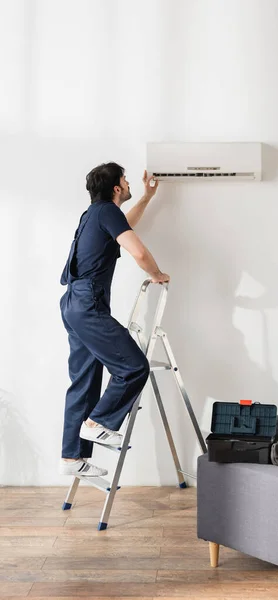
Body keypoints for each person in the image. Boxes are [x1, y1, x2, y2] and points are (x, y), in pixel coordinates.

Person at [59, 162, 170, 477]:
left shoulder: (96, 214)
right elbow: (138, 252)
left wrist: (147, 198)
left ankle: (71, 458)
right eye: (125, 178)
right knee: (134, 367)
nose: (128, 181)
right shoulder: (106, 212)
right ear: (117, 188)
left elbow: (124, 226)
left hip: (72, 305)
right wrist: (157, 274)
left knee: (84, 381)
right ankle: (99, 423)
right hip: (89, 306)